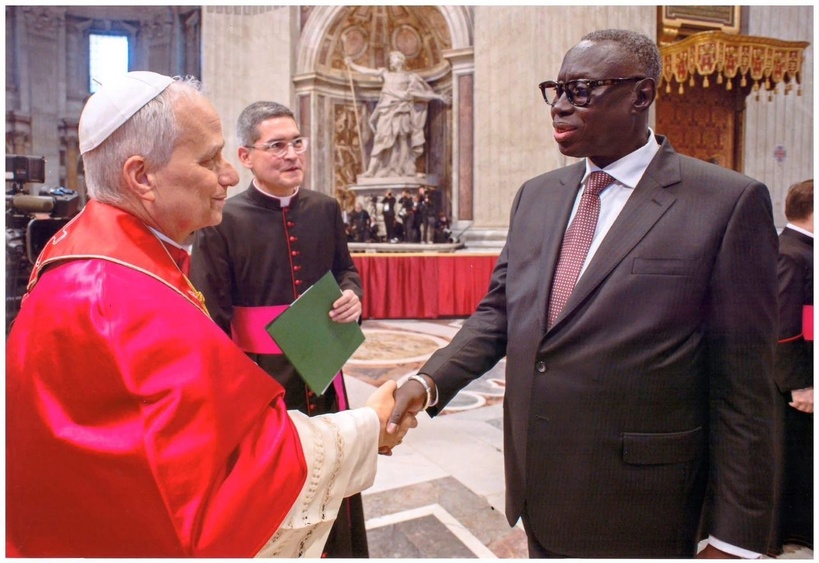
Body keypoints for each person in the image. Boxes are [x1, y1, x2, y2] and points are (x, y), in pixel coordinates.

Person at [388, 29, 779, 558]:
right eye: (557, 90)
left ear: (641, 95)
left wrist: (736, 539)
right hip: (540, 489)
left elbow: (746, 388)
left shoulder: (724, 203)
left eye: (583, 90)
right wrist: (429, 379)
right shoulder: (537, 197)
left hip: (646, 503)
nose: (561, 107)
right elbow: (501, 313)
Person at [5, 71, 416, 558]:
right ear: (141, 177)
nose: (228, 175)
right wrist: (369, 426)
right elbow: (230, 484)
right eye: (209, 159)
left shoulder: (112, 260)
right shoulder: (116, 298)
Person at [189, 100, 371, 558]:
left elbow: (345, 270)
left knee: (334, 474)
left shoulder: (325, 208)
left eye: (296, 143)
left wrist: (353, 296)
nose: (292, 154)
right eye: (277, 146)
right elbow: (210, 316)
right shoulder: (221, 221)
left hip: (324, 370)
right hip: (261, 380)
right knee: (277, 486)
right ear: (246, 156)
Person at [772, 179, 813, 552]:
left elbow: (809, 317)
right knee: (793, 460)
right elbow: (785, 323)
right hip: (793, 380)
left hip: (805, 367)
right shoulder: (792, 252)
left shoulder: (805, 250)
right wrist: (800, 384)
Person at [345, 50, 449, 178]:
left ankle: (402, 169)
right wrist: (352, 65)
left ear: (400, 60)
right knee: (380, 139)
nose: (390, 61)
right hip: (386, 110)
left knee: (402, 140)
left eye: (392, 58)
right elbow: (367, 72)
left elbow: (418, 94)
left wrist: (437, 96)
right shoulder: (385, 74)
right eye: (390, 59)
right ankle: (371, 170)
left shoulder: (409, 77)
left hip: (402, 110)